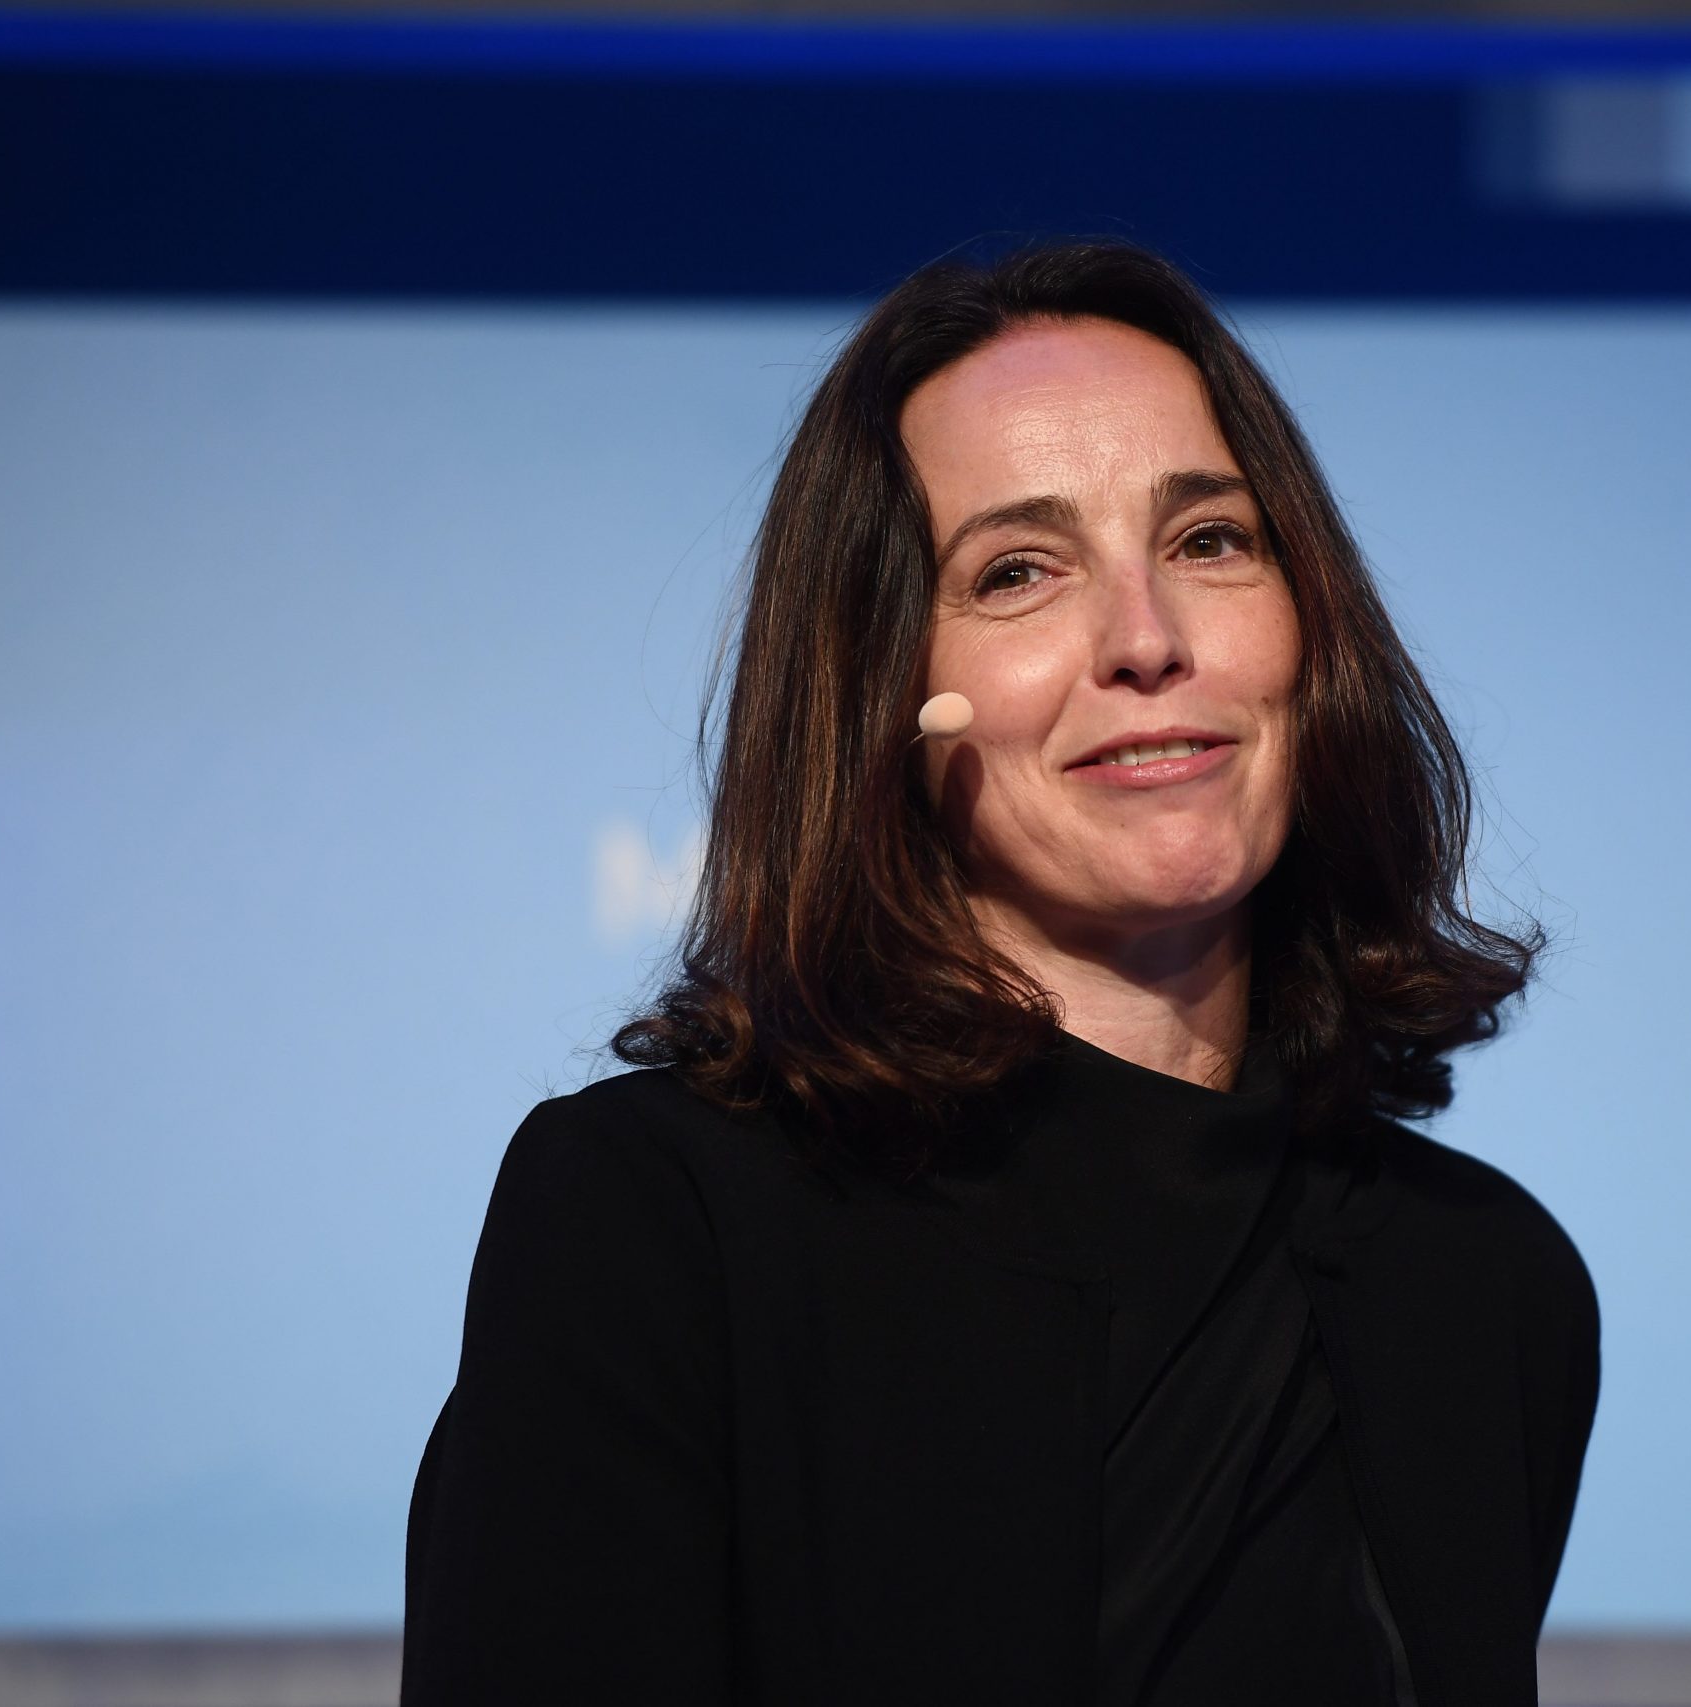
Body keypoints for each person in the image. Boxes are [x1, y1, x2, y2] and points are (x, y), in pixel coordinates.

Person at [400, 239, 1599, 1707]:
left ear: (1308, 623)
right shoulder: (660, 1227)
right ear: (884, 689)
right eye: (1019, 571)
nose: (1147, 641)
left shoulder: (1483, 1288)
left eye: (1210, 540)